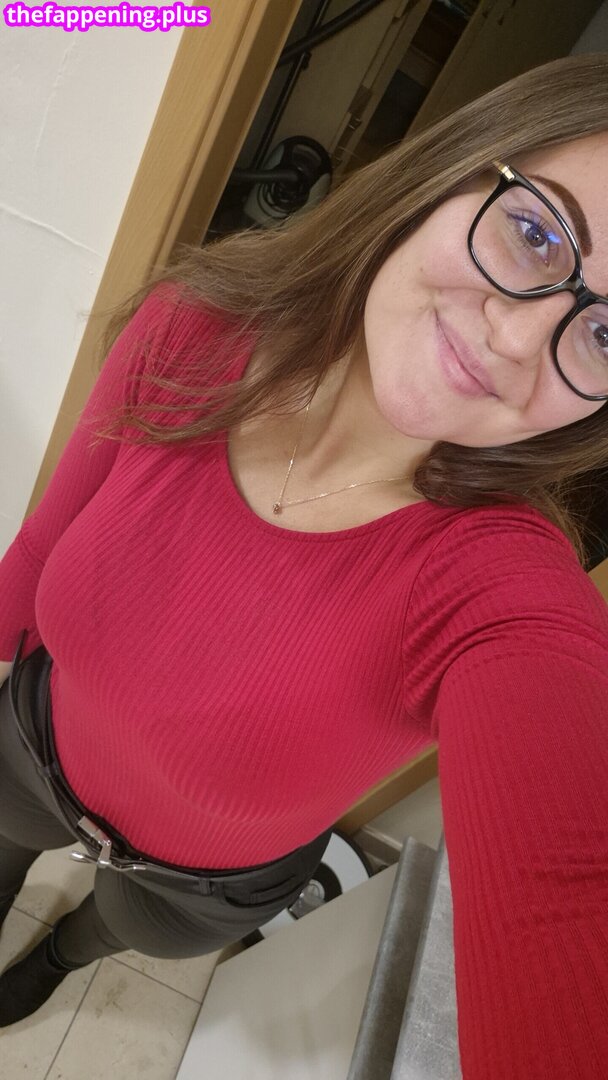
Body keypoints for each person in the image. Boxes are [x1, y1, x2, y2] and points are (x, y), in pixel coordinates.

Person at [0, 50, 607, 1076]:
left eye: (607, 337)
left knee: (111, 930)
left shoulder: (497, 593)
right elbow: (37, 555)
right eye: (537, 232)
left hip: (197, 890)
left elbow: (571, 890)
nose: (516, 337)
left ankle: (61, 954)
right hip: (29, 748)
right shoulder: (192, 328)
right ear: (452, 172)